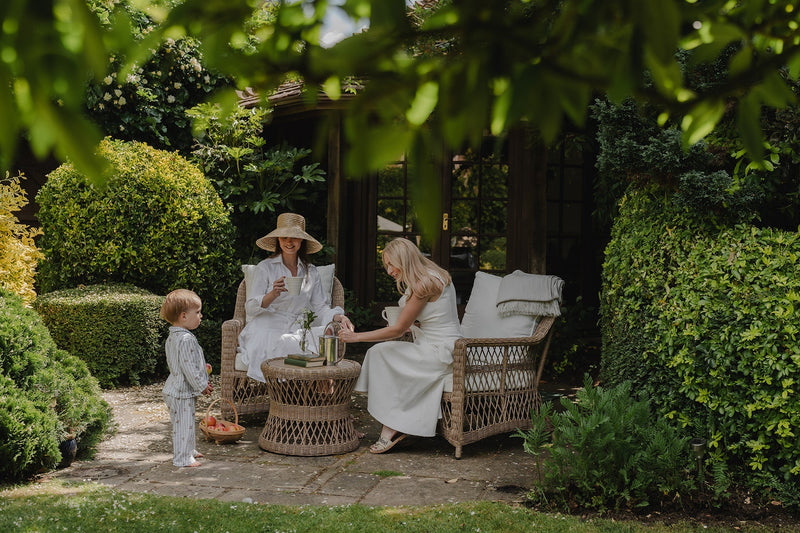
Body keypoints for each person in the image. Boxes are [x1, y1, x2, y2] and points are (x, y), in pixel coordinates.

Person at [338, 238, 463, 454]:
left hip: (441, 352)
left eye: (391, 264)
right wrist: (411, 325)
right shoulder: (433, 275)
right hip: (430, 344)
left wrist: (355, 337)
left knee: (380, 353)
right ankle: (396, 422)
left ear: (404, 261)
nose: (388, 271)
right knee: (380, 353)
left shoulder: (425, 283)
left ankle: (393, 426)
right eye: (386, 265)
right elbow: (433, 317)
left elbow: (396, 330)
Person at [237, 213, 354, 382]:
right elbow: (250, 308)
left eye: (294, 238)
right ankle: (283, 388)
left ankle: (315, 388)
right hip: (269, 322)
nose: (289, 242)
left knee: (323, 334)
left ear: (302, 241)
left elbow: (320, 307)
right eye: (284, 238)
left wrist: (338, 316)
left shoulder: (310, 271)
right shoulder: (266, 267)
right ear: (278, 240)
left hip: (298, 325)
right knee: (275, 340)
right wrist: (272, 294)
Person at [160, 289, 213, 468]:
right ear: (183, 316)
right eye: (197, 312)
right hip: (181, 391)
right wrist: (202, 385)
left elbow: (182, 363)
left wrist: (202, 370)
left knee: (186, 423)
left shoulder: (173, 337)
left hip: (175, 388)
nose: (201, 315)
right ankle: (182, 458)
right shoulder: (186, 339)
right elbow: (189, 368)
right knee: (183, 425)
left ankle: (189, 450)